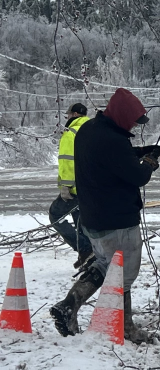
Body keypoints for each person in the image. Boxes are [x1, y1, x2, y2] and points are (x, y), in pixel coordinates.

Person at [50, 88, 160, 343]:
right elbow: (138, 176)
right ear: (122, 116)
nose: (134, 124)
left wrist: (141, 151)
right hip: (118, 220)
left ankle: (68, 305)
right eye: (133, 120)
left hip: (93, 218)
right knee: (122, 273)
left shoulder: (89, 130)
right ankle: (125, 327)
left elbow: (111, 159)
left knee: (104, 264)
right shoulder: (113, 140)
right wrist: (149, 162)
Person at [48, 102, 94, 269]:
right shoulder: (93, 130)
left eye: (68, 114)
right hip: (91, 186)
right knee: (81, 221)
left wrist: (66, 186)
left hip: (75, 188)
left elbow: (67, 160)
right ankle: (88, 257)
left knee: (55, 215)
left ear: (74, 114)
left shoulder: (71, 132)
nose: (66, 117)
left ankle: (85, 249)